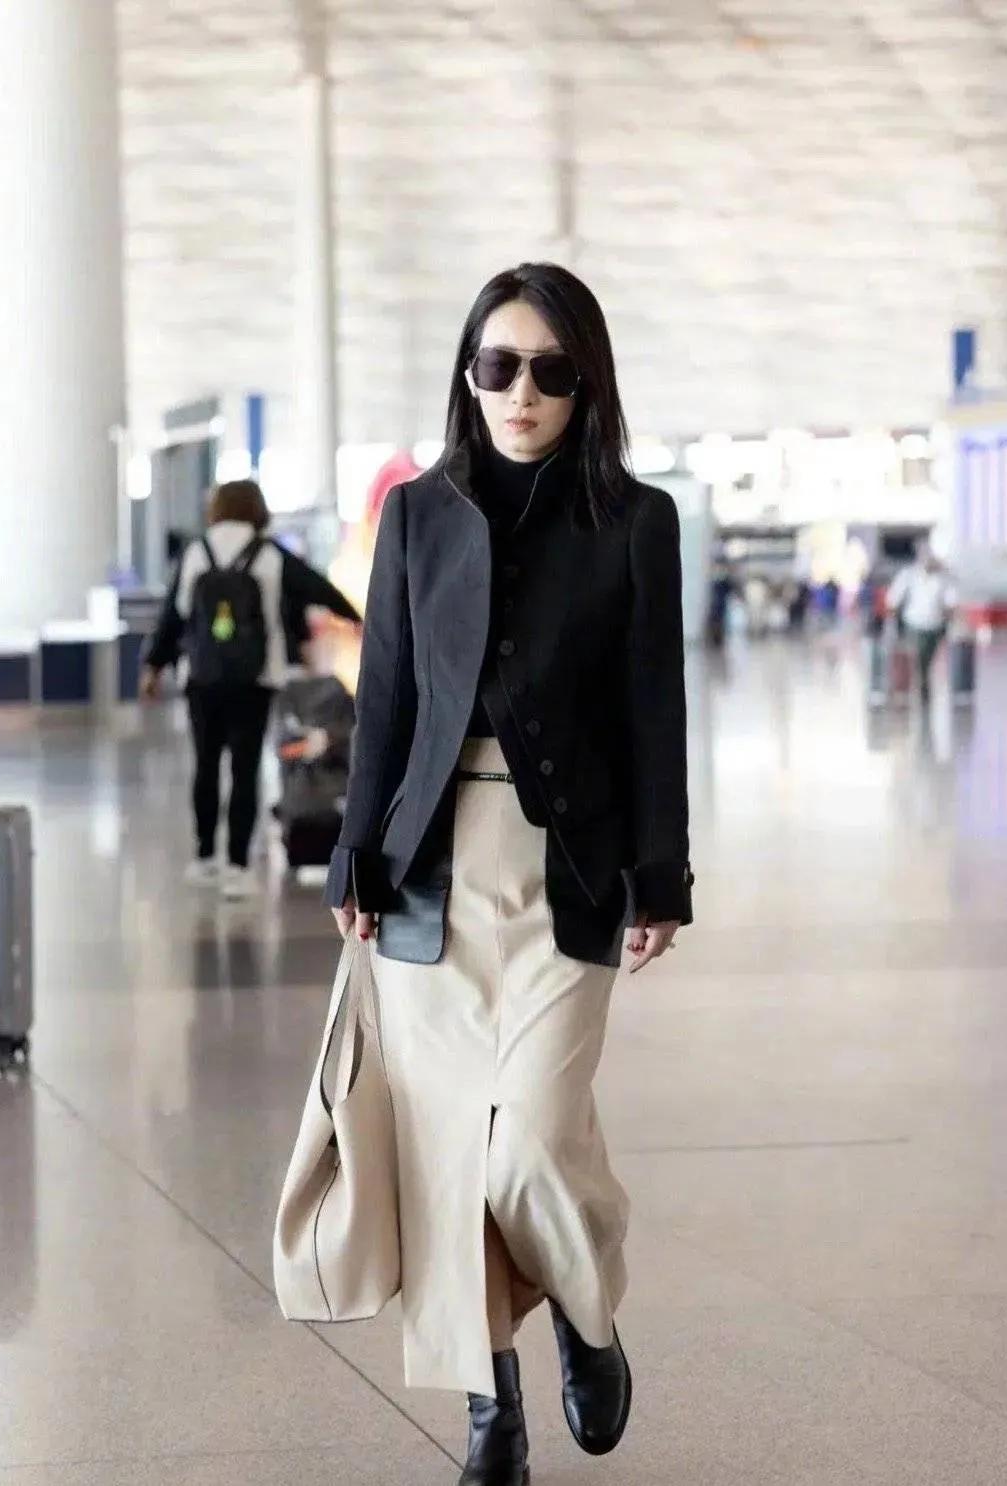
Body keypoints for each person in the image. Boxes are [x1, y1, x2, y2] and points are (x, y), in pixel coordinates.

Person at [325, 263, 694, 1485]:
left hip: (566, 872)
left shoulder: (636, 520)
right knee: (447, 1155)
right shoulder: (416, 517)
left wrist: (661, 874)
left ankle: (587, 1317)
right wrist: (355, 852)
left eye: (549, 370)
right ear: (468, 377)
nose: (520, 391)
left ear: (586, 384)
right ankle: (493, 1412)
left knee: (527, 1138)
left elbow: (652, 709)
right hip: (428, 871)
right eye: (497, 366)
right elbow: (385, 700)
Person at [140, 479, 361, 900]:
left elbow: (173, 615)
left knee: (206, 765)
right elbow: (318, 588)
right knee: (245, 769)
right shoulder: (270, 554)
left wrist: (153, 666)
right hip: (254, 679)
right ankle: (238, 865)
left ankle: (205, 856)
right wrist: (357, 618)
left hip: (201, 678)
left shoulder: (196, 552)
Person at [886, 544, 957, 702]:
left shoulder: (943, 578)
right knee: (915, 658)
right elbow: (894, 599)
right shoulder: (909, 575)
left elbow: (950, 603)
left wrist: (949, 622)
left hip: (934, 626)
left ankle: (922, 685)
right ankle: (916, 688)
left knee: (926, 659)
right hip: (913, 624)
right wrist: (892, 621)